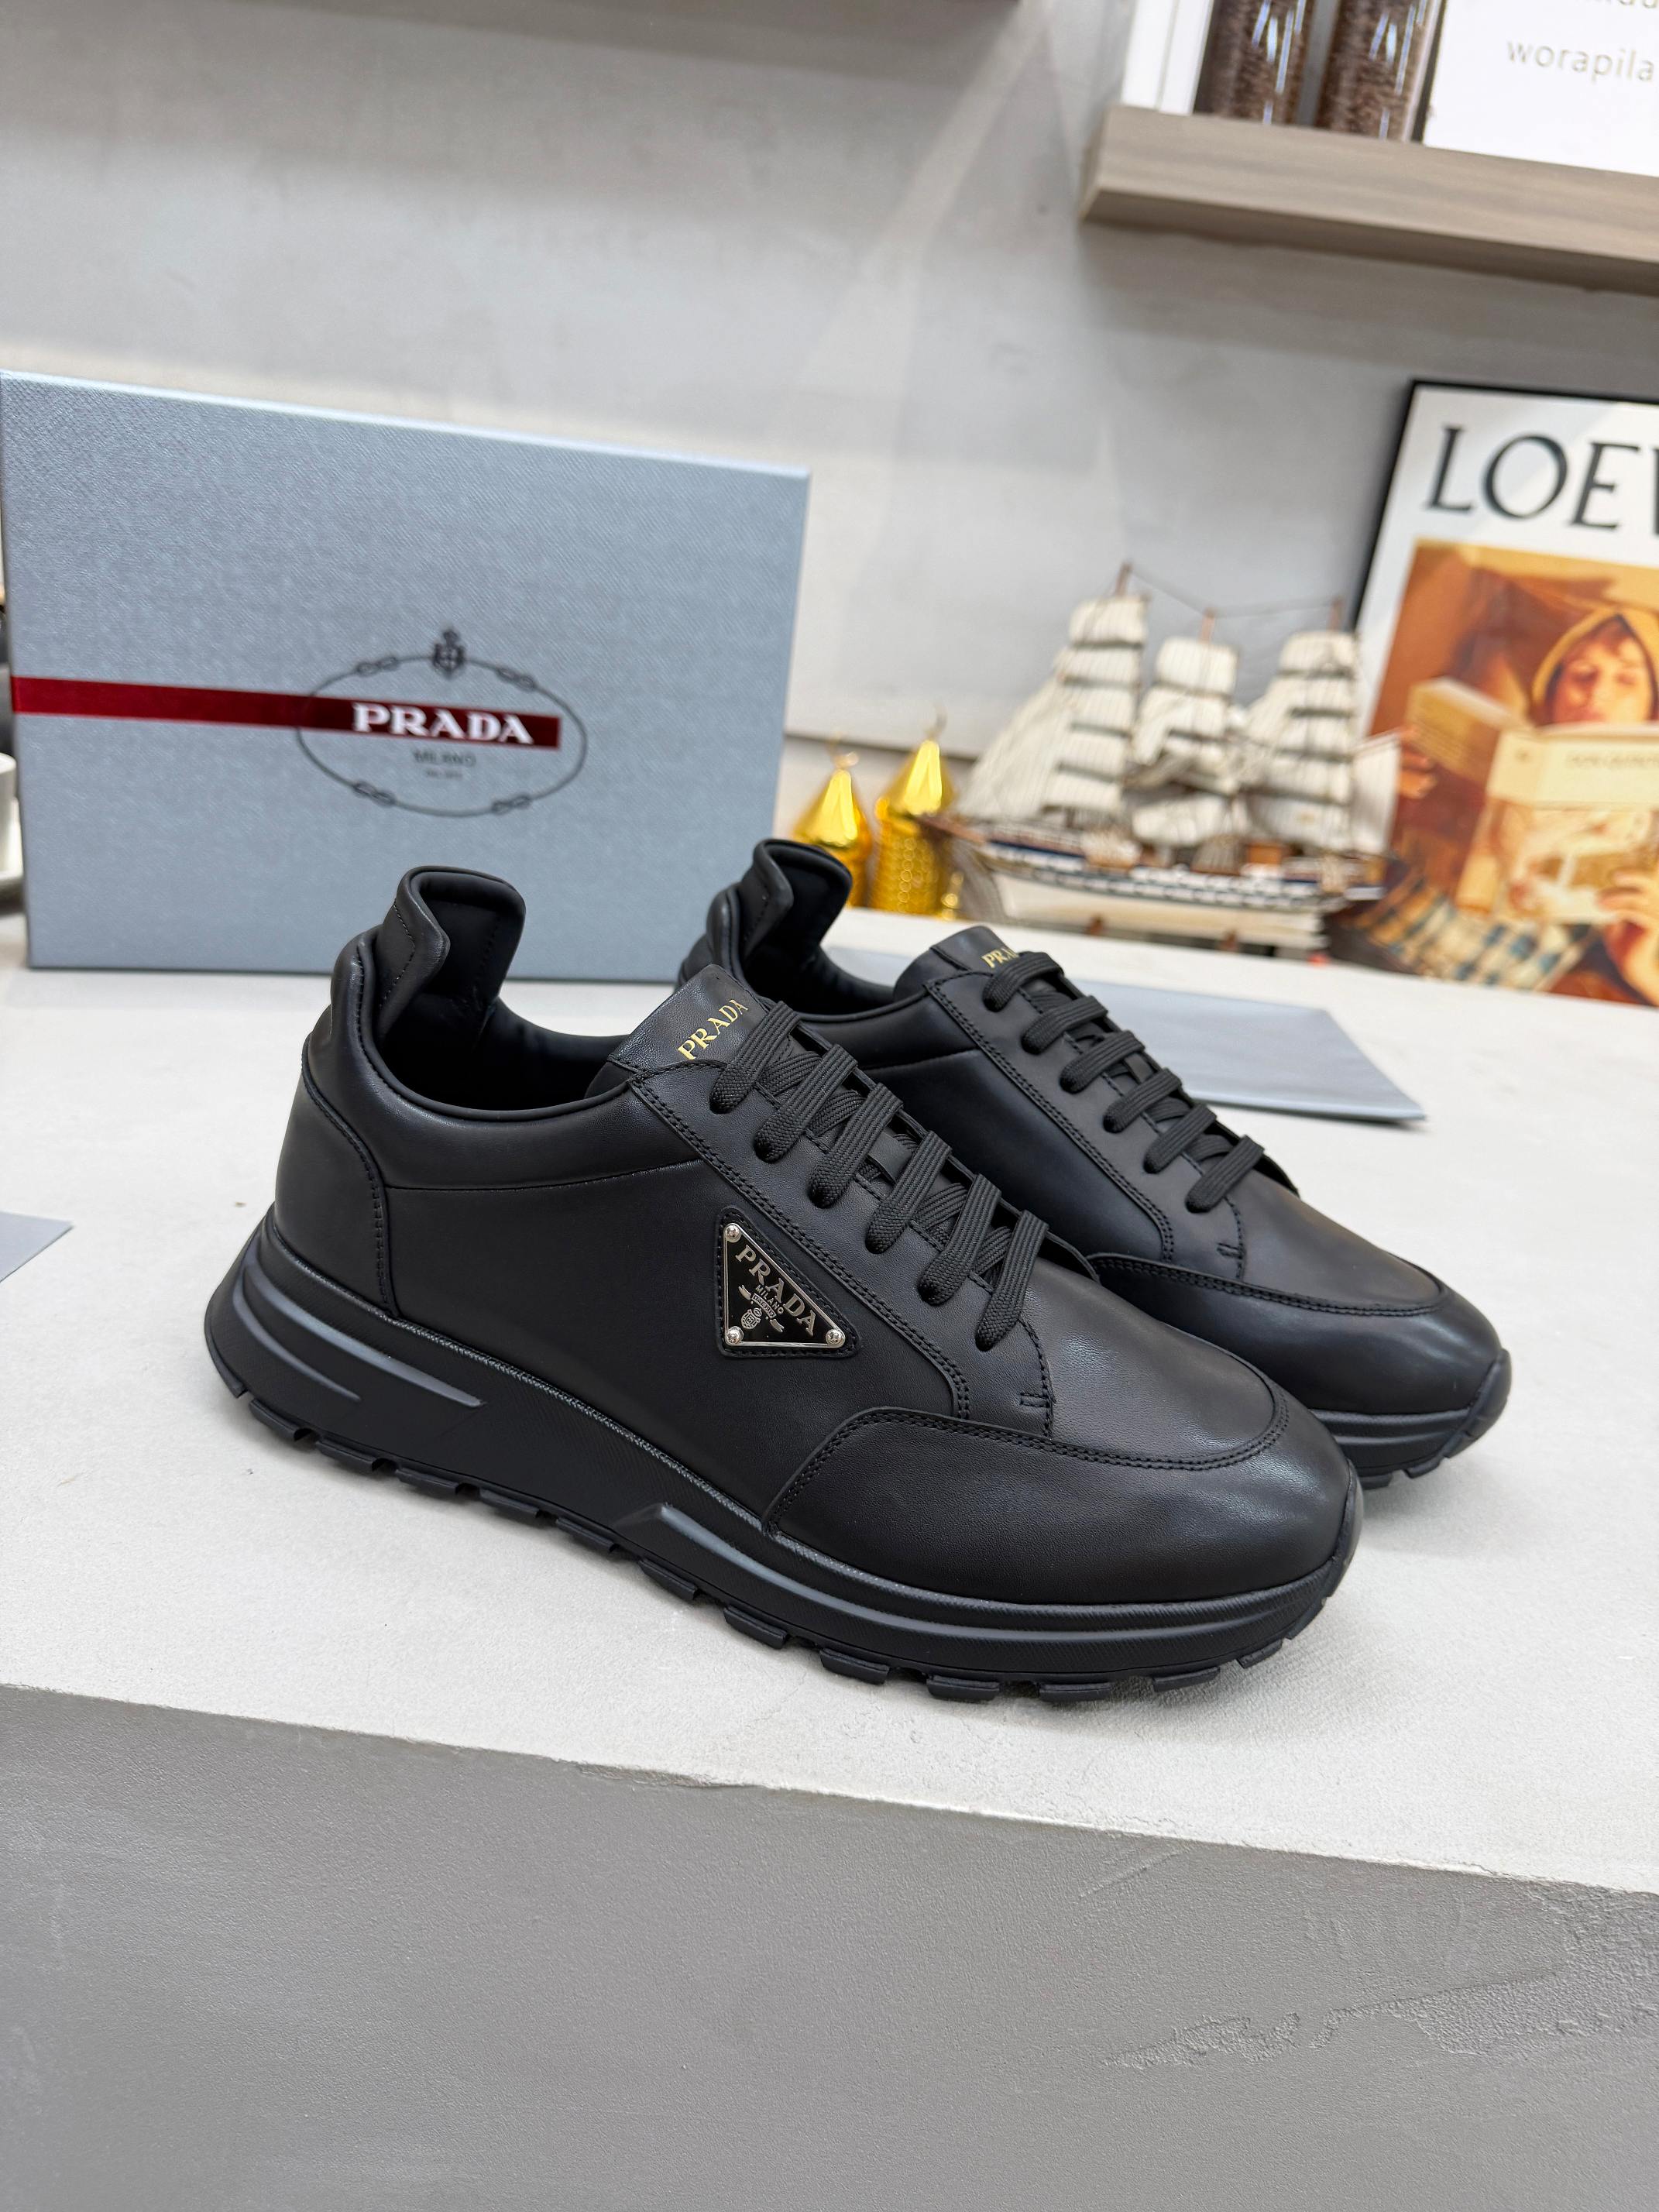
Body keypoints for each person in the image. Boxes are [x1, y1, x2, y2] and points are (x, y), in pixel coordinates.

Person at [1355, 605, 1659, 1003]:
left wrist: (1646, 971)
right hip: (1369, 943)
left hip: (1484, 999)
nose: (1597, 692)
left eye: (1627, 679)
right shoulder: (1498, 755)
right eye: (1582, 673)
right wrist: (1365, 787)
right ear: (1553, 691)